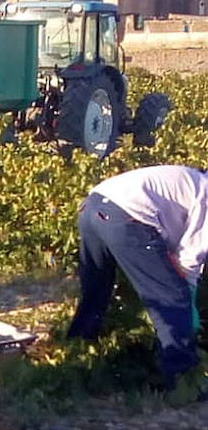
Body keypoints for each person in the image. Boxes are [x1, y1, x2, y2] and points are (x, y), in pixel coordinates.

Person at [66, 164, 208, 391]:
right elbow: (190, 258)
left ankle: (75, 351)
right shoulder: (205, 193)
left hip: (92, 206)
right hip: (126, 216)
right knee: (171, 296)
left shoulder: (191, 180)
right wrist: (186, 304)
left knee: (96, 290)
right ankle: (181, 378)